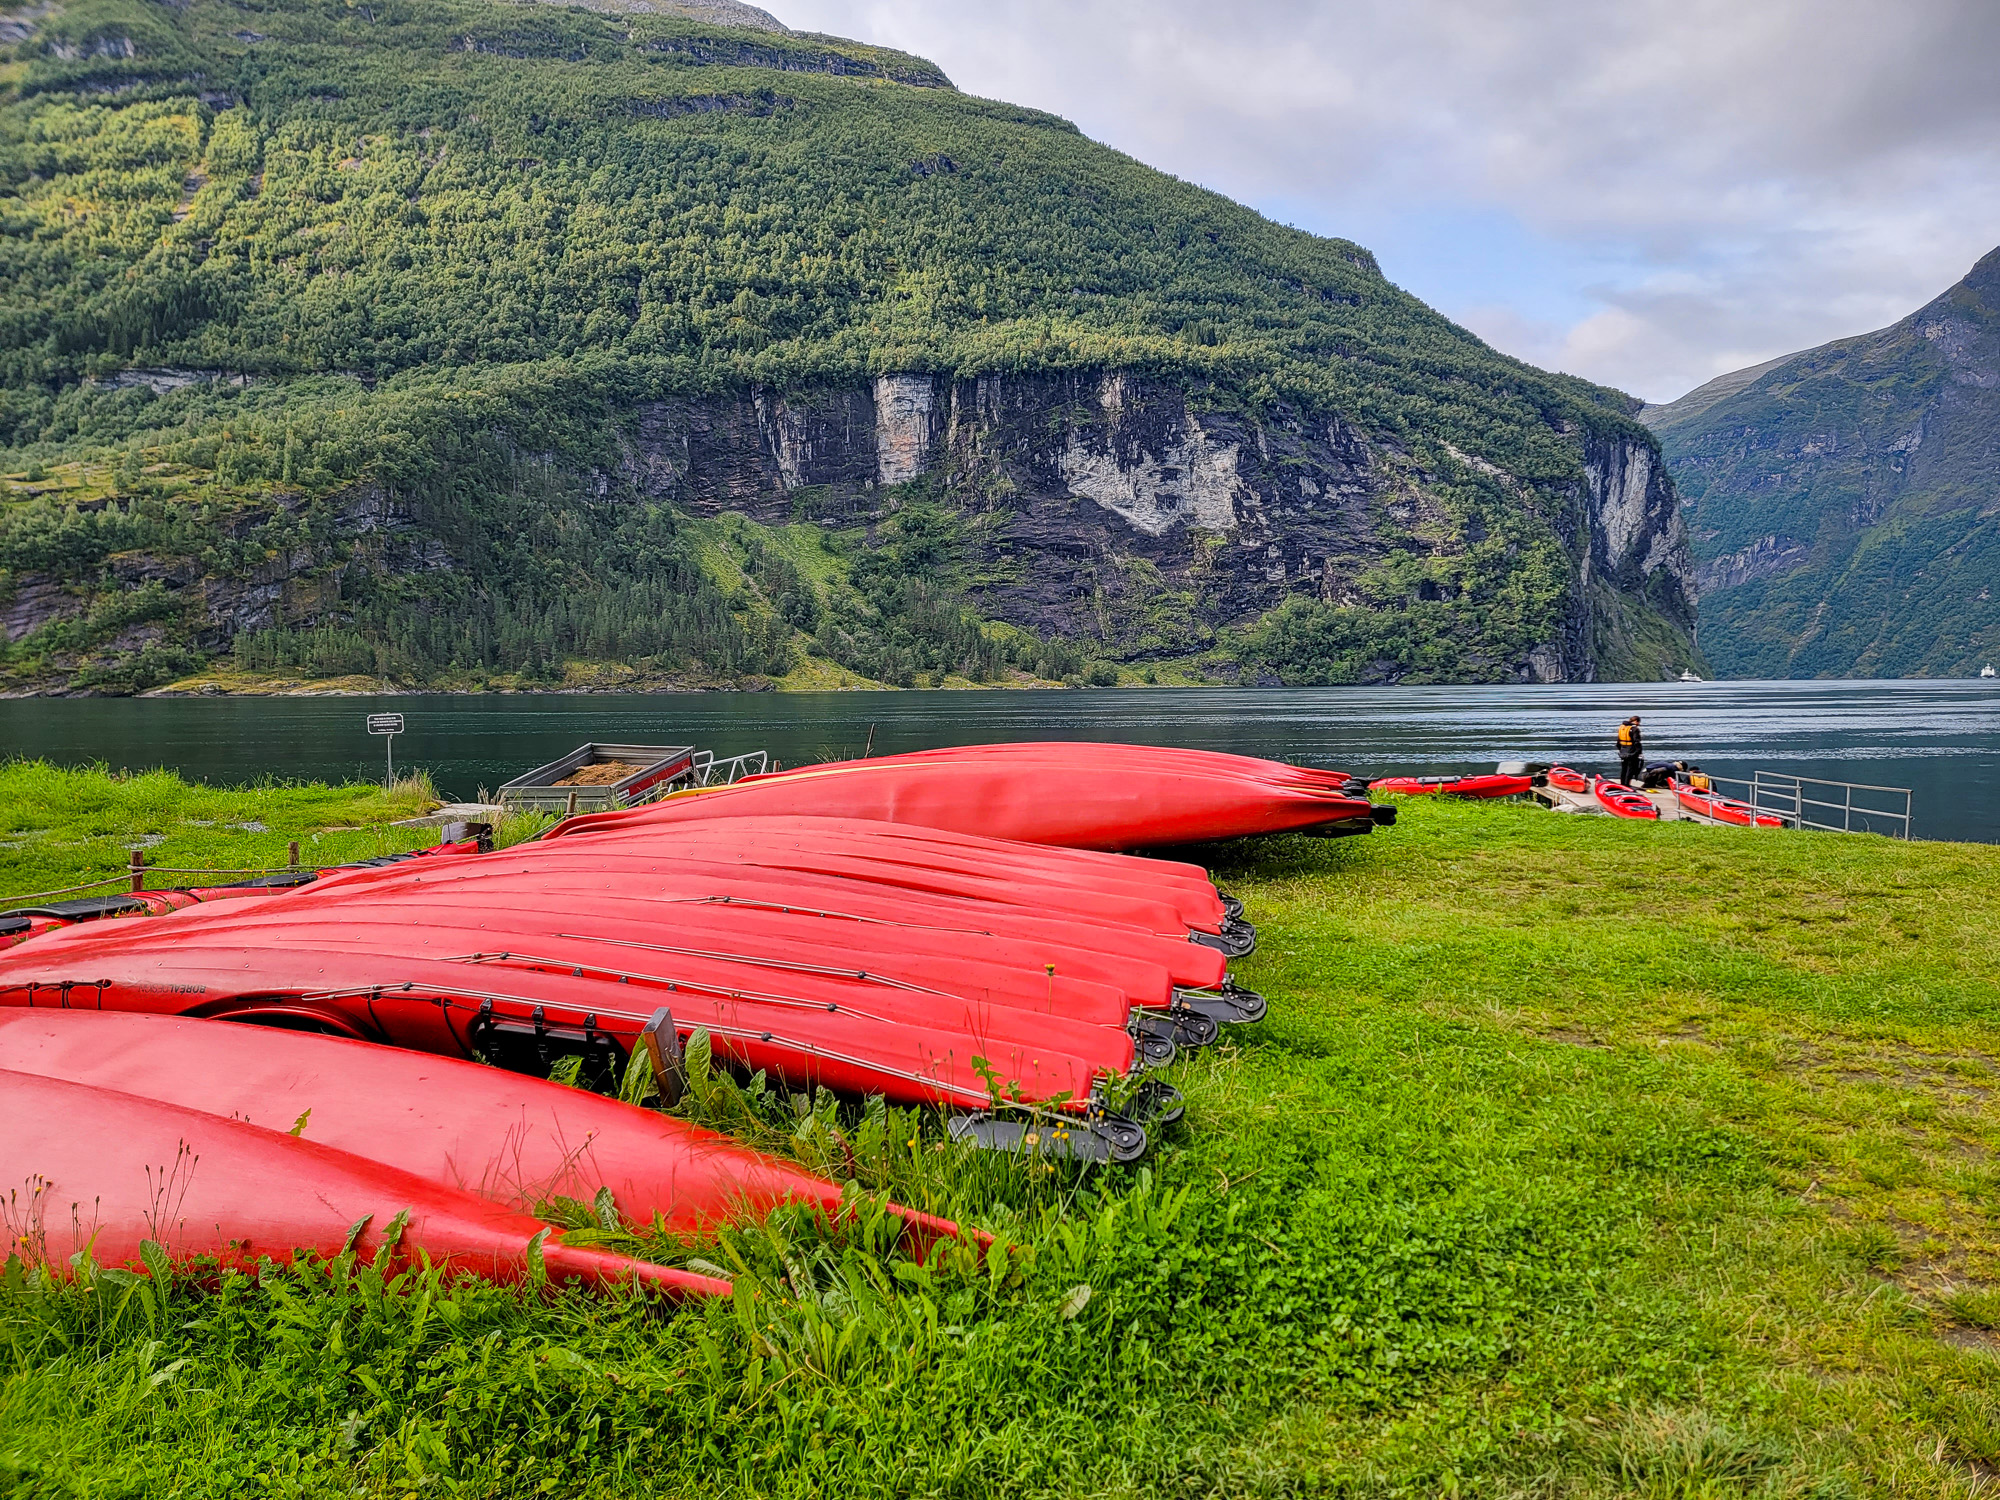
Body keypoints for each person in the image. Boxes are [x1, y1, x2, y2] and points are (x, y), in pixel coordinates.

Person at [1615, 716, 1644, 786]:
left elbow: (1618, 741)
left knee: (1624, 768)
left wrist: (1620, 750)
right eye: (1638, 722)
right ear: (1636, 721)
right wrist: (1639, 752)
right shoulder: (1634, 729)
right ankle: (1627, 784)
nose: (1638, 724)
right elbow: (1637, 742)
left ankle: (1622, 784)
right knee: (1630, 768)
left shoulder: (1622, 728)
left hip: (1623, 750)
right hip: (1632, 751)